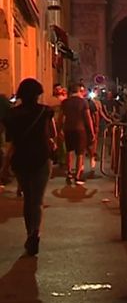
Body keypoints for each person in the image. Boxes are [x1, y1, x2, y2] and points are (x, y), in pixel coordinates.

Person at [0, 78, 57, 256]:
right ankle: (35, 233)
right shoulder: (46, 111)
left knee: (28, 199)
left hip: (21, 160)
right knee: (37, 201)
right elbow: (53, 134)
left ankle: (29, 233)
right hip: (41, 158)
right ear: (38, 94)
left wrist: (5, 165)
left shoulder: (12, 115)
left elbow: (11, 142)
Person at [61, 84, 95, 185]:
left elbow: (61, 117)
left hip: (68, 129)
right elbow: (88, 118)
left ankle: (69, 172)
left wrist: (60, 129)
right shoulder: (83, 102)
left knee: (69, 151)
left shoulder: (65, 102)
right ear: (79, 92)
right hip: (80, 129)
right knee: (80, 153)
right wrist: (92, 132)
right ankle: (77, 175)